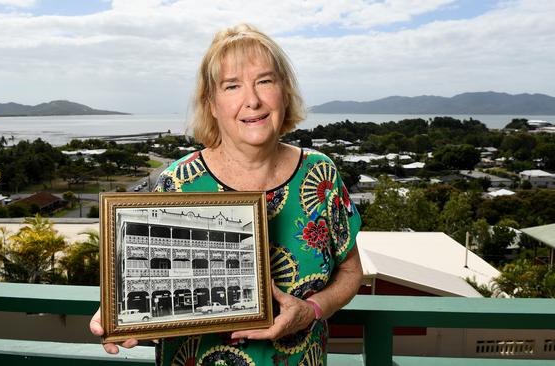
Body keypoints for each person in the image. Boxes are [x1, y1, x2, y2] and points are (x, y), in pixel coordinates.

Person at [90, 23, 363, 365]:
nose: (252, 100)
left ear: (284, 91)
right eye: (232, 86)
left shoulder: (319, 174)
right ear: (213, 104)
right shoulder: (178, 182)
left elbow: (352, 273)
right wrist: (120, 308)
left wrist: (311, 310)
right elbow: (140, 275)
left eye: (265, 81)